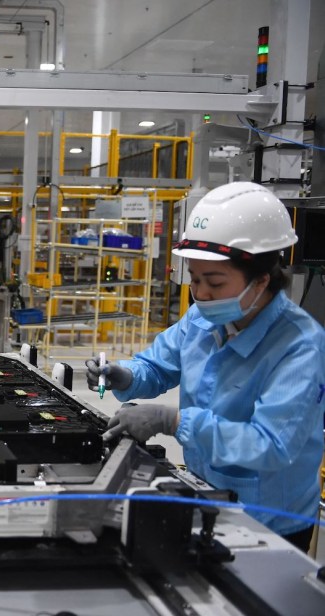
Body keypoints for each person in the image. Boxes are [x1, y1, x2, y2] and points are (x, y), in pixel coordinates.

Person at [86, 182, 325, 552]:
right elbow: (158, 365)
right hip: (205, 494)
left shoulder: (300, 347)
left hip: (269, 521)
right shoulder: (203, 317)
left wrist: (173, 421)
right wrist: (127, 374)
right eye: (195, 279)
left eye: (214, 282)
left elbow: (270, 446)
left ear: (262, 280)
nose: (200, 294)